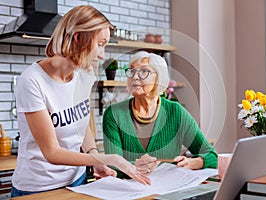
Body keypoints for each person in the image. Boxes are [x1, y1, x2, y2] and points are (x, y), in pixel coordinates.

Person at [11, 5, 150, 197]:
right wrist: (110, 158)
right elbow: (51, 152)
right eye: (100, 43)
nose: (102, 54)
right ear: (78, 37)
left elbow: (81, 122)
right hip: (40, 187)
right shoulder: (32, 81)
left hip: (78, 181)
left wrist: (95, 159)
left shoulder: (84, 73)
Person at [103, 51, 218, 178]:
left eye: (143, 72)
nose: (135, 77)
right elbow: (112, 165)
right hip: (129, 191)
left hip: (168, 190)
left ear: (159, 78)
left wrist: (193, 162)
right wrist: (136, 167)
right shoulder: (114, 114)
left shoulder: (175, 112)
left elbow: (211, 155)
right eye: (132, 71)